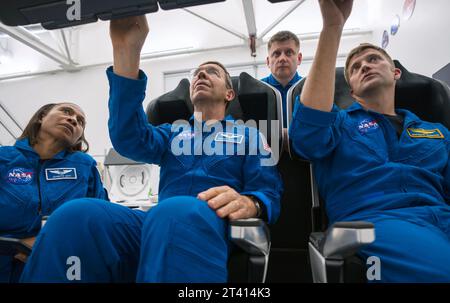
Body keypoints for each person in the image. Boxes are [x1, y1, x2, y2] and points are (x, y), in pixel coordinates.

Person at [20, 15, 282, 283]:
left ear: (229, 94)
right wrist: (126, 53)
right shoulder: (172, 132)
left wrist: (251, 202)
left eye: (212, 72)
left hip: (212, 226)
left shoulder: (249, 134)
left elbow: (269, 190)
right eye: (196, 73)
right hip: (156, 222)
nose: (201, 74)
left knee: (175, 211)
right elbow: (128, 137)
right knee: (75, 215)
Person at [289, 0, 450, 282]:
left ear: (395, 73)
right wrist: (333, 27)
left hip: (440, 218)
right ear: (350, 88)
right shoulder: (338, 123)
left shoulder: (436, 132)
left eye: (374, 59)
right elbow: (306, 138)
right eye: (355, 67)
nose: (365, 66)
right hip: (373, 224)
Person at [0, 102, 108, 282]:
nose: (73, 119)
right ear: (42, 116)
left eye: (80, 121)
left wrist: (47, 243)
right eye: (66, 111)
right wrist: (17, 245)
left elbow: (100, 221)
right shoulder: (4, 158)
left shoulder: (84, 166)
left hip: (61, 263)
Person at [261, 30, 303, 128]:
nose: (282, 58)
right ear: (268, 61)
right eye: (276, 53)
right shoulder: (255, 91)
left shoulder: (311, 89)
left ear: (299, 59)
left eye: (289, 52)